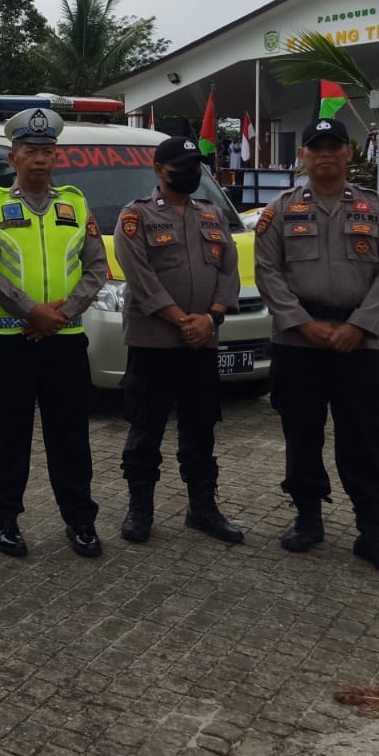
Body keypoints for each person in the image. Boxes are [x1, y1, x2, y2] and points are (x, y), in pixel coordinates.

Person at [254, 118, 379, 576]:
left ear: (349, 153)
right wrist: (302, 323)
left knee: (363, 436)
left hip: (357, 344)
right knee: (301, 432)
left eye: (333, 146)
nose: (324, 154)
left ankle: (373, 532)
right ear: (302, 155)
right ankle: (308, 518)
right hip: (299, 342)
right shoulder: (279, 210)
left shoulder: (377, 209)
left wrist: (360, 326)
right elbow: (268, 272)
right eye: (315, 146)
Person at [0, 107, 108, 558]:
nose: (39, 159)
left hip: (65, 342)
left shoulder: (76, 205)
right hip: (10, 341)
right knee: (5, 435)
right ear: (13, 156)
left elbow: (96, 268)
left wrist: (62, 314)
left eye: (47, 151)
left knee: (70, 436)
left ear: (57, 157)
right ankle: (3, 519)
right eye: (30, 151)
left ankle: (81, 520)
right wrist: (32, 311)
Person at [112, 137, 244, 546]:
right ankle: (140, 510)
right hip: (154, 342)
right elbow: (140, 276)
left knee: (201, 426)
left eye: (195, 166)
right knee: (146, 428)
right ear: (159, 170)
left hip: (201, 341)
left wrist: (212, 317)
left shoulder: (214, 215)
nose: (191, 173)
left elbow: (229, 271)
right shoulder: (136, 216)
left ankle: (202, 508)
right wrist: (178, 318)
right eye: (181, 166)